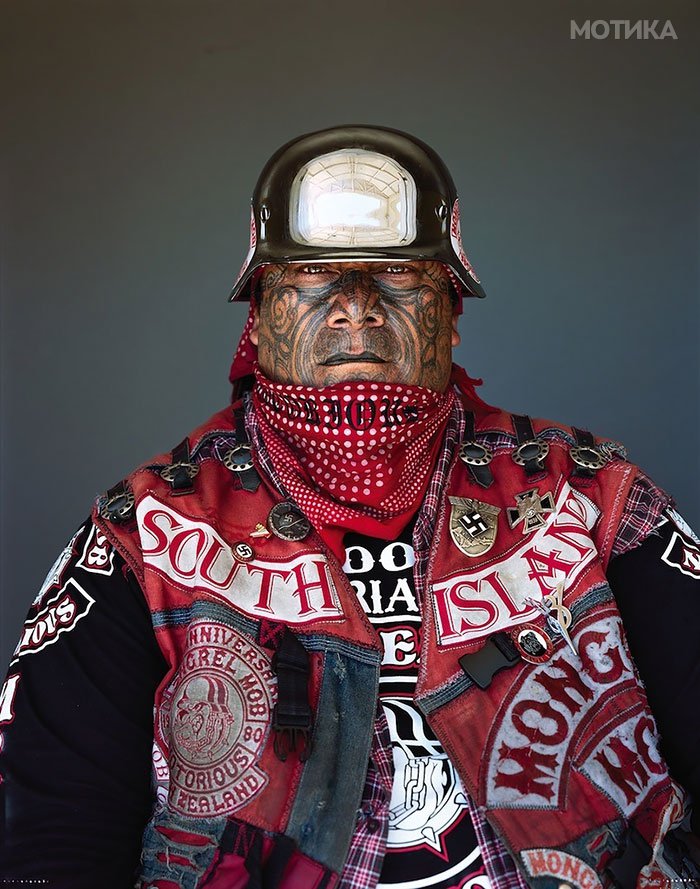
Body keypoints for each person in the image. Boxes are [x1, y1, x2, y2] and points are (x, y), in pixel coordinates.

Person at [1, 125, 698, 889]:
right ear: (260, 314)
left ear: (452, 310)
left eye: (398, 278)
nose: (356, 310)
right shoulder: (147, 532)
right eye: (313, 279)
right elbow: (51, 834)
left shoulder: (591, 494)